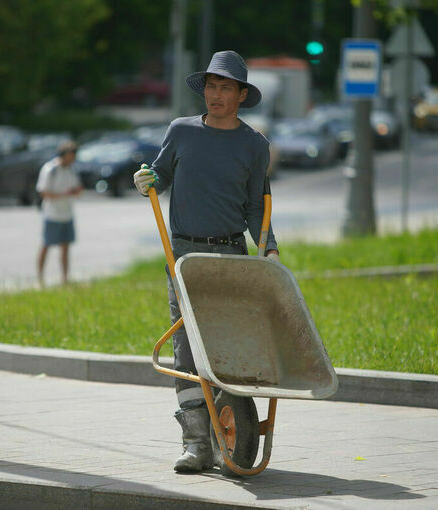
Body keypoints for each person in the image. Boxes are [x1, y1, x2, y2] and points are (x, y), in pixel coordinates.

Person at [132, 50, 280, 473]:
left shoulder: (254, 145)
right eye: (211, 87)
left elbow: (257, 207)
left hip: (231, 255)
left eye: (225, 88)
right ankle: (196, 442)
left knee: (228, 344)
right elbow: (158, 174)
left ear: (240, 95)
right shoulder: (181, 132)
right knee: (185, 347)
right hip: (184, 255)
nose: (216, 95)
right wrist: (145, 180)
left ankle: (228, 429)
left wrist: (269, 248)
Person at [35, 140, 82, 287]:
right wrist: (63, 195)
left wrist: (76, 191)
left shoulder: (71, 169)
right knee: (46, 244)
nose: (72, 158)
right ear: (64, 155)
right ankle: (40, 278)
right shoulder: (50, 169)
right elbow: (43, 192)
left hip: (67, 213)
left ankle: (65, 278)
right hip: (52, 213)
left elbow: (76, 187)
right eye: (70, 155)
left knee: (66, 246)